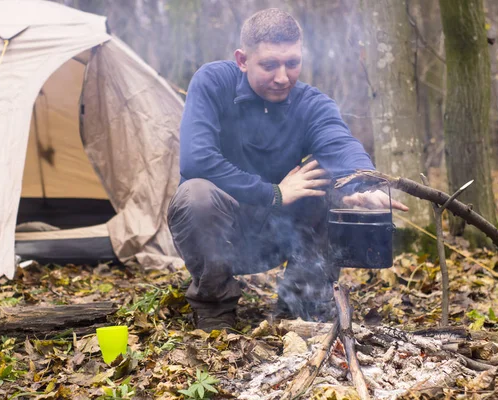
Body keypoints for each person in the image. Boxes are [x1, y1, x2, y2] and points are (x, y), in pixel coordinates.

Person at [168, 8, 407, 332]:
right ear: (242, 60)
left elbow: (341, 145)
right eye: (269, 65)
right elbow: (196, 160)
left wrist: (365, 185)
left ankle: (301, 301)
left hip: (277, 237)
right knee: (195, 194)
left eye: (292, 63)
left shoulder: (312, 103)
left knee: (324, 180)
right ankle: (215, 307)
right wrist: (274, 193)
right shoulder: (213, 82)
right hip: (222, 237)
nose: (283, 77)